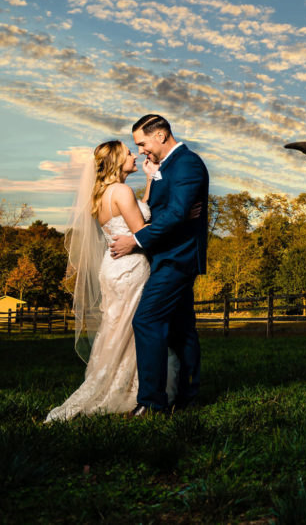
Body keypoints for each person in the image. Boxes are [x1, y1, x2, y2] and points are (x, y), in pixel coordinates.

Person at [46, 140, 178, 422]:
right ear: (118, 161)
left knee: (118, 327)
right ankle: (132, 388)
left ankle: (112, 382)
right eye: (129, 152)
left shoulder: (104, 193)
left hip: (112, 267)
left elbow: (136, 211)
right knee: (136, 327)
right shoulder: (121, 191)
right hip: (130, 267)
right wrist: (176, 219)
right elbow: (142, 232)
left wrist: (149, 180)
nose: (134, 154)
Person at [110, 114, 209, 416]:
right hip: (168, 255)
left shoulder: (188, 164)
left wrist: (136, 240)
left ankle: (152, 404)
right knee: (181, 329)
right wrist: (155, 178)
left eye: (142, 143)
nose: (140, 150)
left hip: (177, 258)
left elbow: (177, 213)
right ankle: (188, 397)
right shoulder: (169, 167)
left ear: (161, 135)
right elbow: (170, 210)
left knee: (146, 320)